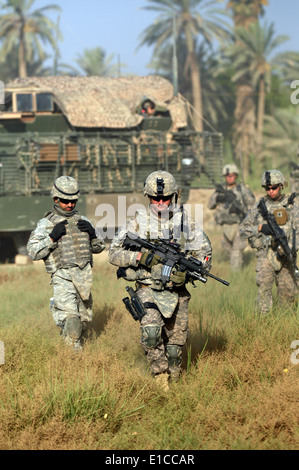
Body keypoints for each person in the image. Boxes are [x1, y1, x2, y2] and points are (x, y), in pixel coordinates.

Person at [108, 170, 212, 391]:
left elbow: (205, 252)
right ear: (148, 197)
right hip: (147, 287)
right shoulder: (136, 222)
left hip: (176, 290)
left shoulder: (185, 221)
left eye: (166, 198)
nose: (161, 202)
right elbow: (113, 253)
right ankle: (160, 379)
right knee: (152, 332)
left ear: (174, 196)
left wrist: (188, 272)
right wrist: (139, 257)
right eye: (156, 198)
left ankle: (175, 383)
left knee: (175, 347)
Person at [27, 176, 105, 349]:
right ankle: (72, 363)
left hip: (84, 281)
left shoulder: (84, 221)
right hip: (62, 279)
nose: (70, 205)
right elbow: (33, 251)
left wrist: (92, 234)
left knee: (82, 325)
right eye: (65, 201)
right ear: (56, 199)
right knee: (72, 324)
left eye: (73, 201)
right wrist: (52, 237)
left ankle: (71, 353)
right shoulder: (46, 224)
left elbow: (99, 248)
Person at [239, 170, 299, 314]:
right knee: (264, 290)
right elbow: (243, 230)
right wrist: (260, 228)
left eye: (274, 187)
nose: (270, 191)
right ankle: (262, 325)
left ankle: (284, 327)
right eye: (268, 188)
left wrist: (291, 248)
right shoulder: (259, 207)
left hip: (286, 257)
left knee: (288, 295)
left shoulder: (291, 207)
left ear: (281, 186)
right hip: (265, 254)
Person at [208, 163, 255, 270]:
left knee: (236, 251)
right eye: (228, 175)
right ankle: (237, 264)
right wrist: (217, 198)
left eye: (232, 175)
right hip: (226, 225)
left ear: (236, 176)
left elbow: (252, 206)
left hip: (239, 224)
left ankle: (235, 275)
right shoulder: (220, 190)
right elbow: (210, 205)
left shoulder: (242, 189)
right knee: (227, 247)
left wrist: (244, 212)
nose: (230, 178)